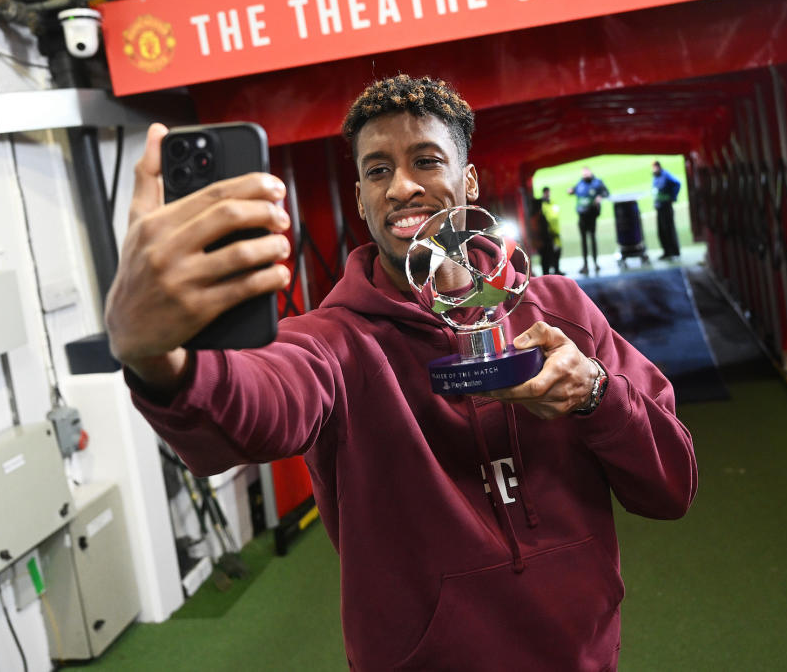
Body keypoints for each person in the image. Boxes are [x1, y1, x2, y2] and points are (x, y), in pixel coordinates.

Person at [105, 74, 697, 671]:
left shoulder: (561, 310)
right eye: (378, 170)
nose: (402, 187)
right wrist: (159, 359)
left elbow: (671, 486)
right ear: (360, 198)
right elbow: (259, 402)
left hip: (583, 655)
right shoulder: (333, 341)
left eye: (426, 160)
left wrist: (596, 393)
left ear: (468, 181)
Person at [568, 166, 609, 275]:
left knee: (592, 239)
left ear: (590, 173)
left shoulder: (597, 182)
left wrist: (599, 197)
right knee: (584, 241)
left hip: (592, 216)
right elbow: (573, 190)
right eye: (584, 174)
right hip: (582, 217)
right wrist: (570, 191)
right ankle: (585, 264)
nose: (585, 176)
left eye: (587, 174)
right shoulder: (580, 183)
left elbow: (606, 193)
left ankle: (595, 263)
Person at [652, 160, 682, 260]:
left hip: (666, 206)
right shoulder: (655, 177)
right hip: (659, 206)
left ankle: (674, 251)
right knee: (661, 230)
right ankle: (666, 251)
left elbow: (677, 183)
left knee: (669, 229)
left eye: (655, 167)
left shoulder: (666, 175)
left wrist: (673, 197)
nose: (654, 169)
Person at [538, 186, 562, 275]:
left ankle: (557, 269)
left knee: (557, 251)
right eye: (546, 192)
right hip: (547, 234)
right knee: (547, 254)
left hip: (556, 232)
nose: (547, 194)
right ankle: (547, 273)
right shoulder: (542, 205)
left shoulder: (553, 203)